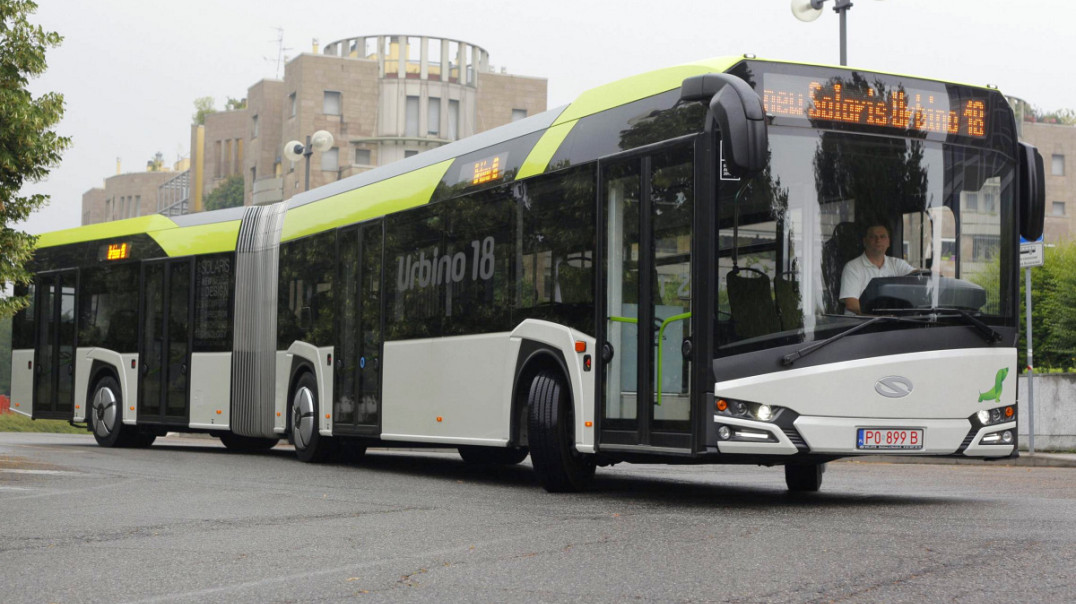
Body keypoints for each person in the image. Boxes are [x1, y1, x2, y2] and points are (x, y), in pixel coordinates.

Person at [839, 223, 915, 315]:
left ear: (888, 242)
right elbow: (851, 304)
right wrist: (882, 316)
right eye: (872, 237)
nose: (878, 240)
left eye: (882, 236)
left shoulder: (897, 264)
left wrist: (933, 273)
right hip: (860, 326)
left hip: (891, 323)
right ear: (864, 242)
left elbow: (918, 276)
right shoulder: (852, 267)